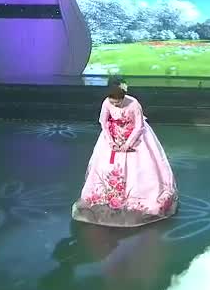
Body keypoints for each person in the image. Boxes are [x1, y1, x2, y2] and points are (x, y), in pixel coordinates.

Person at [72, 78, 178, 227]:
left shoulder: (134, 104)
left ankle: (138, 199)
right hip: (113, 136)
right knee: (106, 167)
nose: (115, 105)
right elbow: (103, 122)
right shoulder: (106, 103)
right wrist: (110, 140)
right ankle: (105, 196)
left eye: (118, 102)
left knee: (139, 168)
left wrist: (128, 143)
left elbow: (139, 126)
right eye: (113, 102)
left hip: (134, 136)